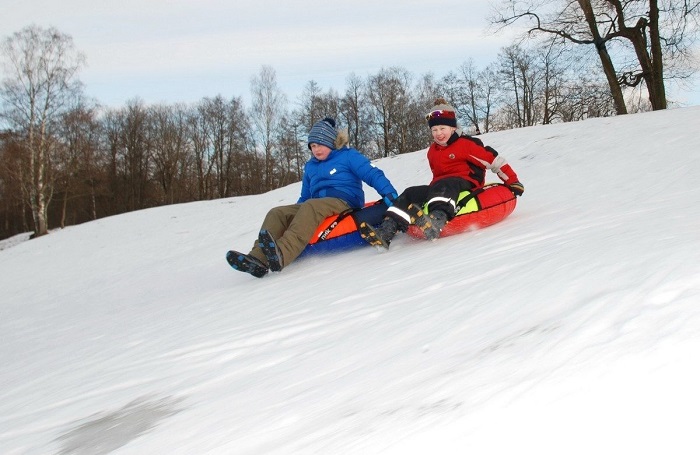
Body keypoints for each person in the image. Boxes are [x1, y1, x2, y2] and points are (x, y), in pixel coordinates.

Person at [227, 117, 398, 277]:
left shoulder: (348, 156)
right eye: (313, 146)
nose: (316, 149)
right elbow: (305, 196)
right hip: (316, 204)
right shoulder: (310, 166)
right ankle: (257, 258)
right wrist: (293, 216)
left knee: (310, 207)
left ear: (331, 142)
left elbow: (372, 174)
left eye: (320, 144)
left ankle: (283, 254)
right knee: (277, 213)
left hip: (344, 201)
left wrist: (389, 193)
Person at [359, 98, 524, 248]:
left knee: (445, 183)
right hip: (441, 186)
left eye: (442, 128)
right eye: (434, 129)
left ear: (453, 127)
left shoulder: (465, 144)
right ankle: (388, 229)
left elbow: (494, 161)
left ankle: (437, 219)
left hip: (465, 182)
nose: (438, 133)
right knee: (411, 192)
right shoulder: (432, 151)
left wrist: (513, 181)